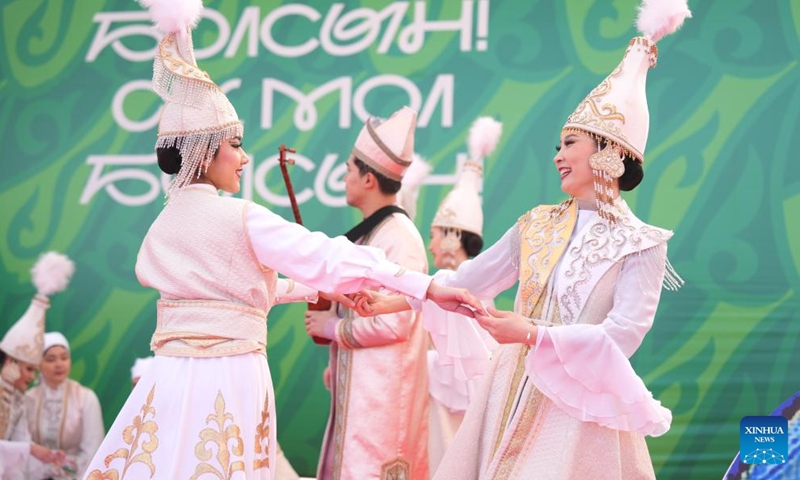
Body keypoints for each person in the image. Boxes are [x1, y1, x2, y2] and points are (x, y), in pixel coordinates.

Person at [82, 2, 480, 479]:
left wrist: (316, 291)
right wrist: (426, 287)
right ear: (207, 152)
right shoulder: (240, 218)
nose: (245, 158)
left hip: (168, 376)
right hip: (229, 375)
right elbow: (324, 255)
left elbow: (242, 293)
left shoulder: (165, 225)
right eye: (235, 145)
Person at [353, 1, 691, 477]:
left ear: (609, 151)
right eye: (559, 145)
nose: (558, 156)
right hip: (508, 388)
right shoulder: (536, 224)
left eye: (570, 143)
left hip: (579, 410)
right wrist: (394, 300)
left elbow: (622, 337)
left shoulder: (641, 243)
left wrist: (532, 333)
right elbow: (468, 282)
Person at [305, 106, 431, 479]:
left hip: (383, 404)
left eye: (348, 169)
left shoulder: (400, 239)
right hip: (365, 397)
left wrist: (332, 328)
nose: (344, 178)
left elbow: (395, 324)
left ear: (369, 180)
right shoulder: (377, 233)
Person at [424, 116, 503, 474]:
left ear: (453, 235)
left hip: (454, 399)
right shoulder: (465, 284)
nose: (431, 244)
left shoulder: (458, 285)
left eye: (435, 234)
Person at [1, 252, 74, 480]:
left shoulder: (17, 399)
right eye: (29, 369)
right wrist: (32, 450)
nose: (32, 377)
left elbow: (20, 443)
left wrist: (49, 458)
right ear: (11, 363)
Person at [25, 332, 104, 479]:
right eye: (51, 359)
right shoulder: (28, 399)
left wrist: (62, 468)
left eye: (64, 358)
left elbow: (93, 450)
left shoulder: (86, 398)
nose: (59, 364)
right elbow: (22, 445)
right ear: (39, 364)